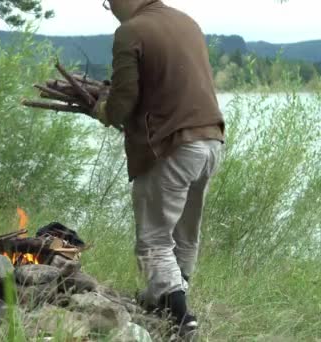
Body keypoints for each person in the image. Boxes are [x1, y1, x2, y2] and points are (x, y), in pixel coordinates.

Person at [94, 0, 225, 337]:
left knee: (153, 238)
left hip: (171, 146)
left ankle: (181, 320)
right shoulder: (187, 22)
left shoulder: (131, 31)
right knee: (184, 232)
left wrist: (103, 111)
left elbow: (123, 100)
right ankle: (163, 302)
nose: (109, 8)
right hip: (210, 141)